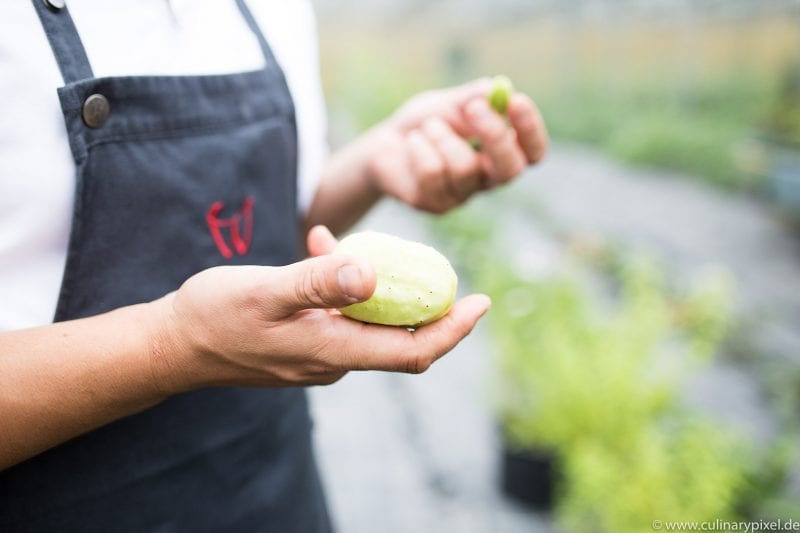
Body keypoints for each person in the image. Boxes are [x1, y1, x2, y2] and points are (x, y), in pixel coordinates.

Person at [0, 1, 548, 531]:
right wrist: (175, 344)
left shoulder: (276, 7)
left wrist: (372, 164)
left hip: (275, 490)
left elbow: (275, 224)